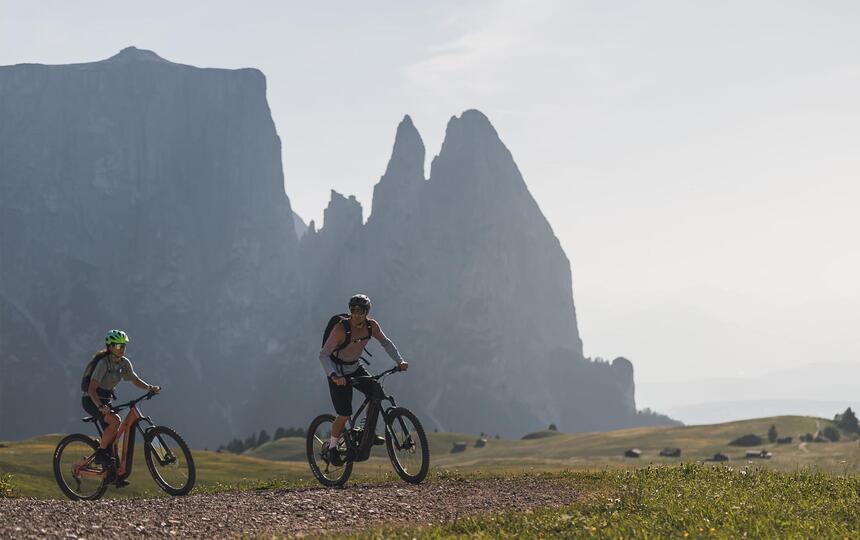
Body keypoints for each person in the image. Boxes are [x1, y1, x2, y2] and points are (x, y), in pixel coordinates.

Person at [319, 294, 408, 465]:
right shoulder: (340, 329)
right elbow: (324, 355)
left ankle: (368, 432)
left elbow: (386, 343)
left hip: (355, 367)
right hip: (337, 372)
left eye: (360, 311)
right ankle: (332, 447)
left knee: (377, 393)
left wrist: (400, 361)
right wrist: (334, 376)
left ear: (367, 312)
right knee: (344, 414)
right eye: (353, 310)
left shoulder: (371, 326)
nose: (356, 315)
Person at [82, 330, 160, 474]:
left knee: (114, 437)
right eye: (118, 346)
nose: (122, 349)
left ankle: (113, 474)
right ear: (110, 347)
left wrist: (149, 388)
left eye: (123, 345)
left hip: (106, 401)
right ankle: (100, 454)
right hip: (91, 400)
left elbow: (135, 379)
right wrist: (100, 406)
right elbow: (92, 389)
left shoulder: (124, 363)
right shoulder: (103, 363)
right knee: (115, 421)